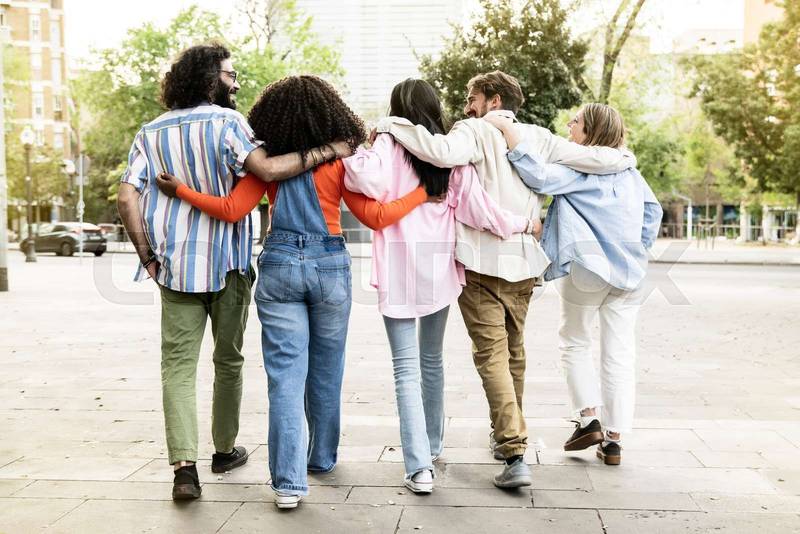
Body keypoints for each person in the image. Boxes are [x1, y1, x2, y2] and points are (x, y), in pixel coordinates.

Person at [156, 75, 437, 509]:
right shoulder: (341, 160)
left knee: (285, 378)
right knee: (327, 371)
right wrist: (422, 193)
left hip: (281, 262)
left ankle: (287, 484)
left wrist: (181, 192)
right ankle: (321, 458)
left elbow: (233, 210)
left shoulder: (267, 160)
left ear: (273, 114)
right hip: (329, 265)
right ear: (330, 112)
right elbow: (376, 216)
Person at [374, 70, 637, 488]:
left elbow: (439, 152)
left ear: (493, 100)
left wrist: (392, 123)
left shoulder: (473, 130)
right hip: (526, 265)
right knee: (513, 353)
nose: (466, 104)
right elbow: (596, 158)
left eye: (472, 96)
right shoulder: (540, 136)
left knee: (492, 357)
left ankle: (514, 452)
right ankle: (504, 438)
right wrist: (626, 159)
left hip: (481, 264)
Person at [116, 43, 352, 501]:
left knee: (178, 369)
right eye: (231, 73)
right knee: (229, 361)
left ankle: (185, 468)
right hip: (230, 265)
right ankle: (225, 450)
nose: (237, 81)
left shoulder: (149, 132)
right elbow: (265, 169)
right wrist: (329, 148)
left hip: (173, 267)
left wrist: (147, 255)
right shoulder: (228, 123)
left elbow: (127, 197)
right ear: (210, 79)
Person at [342, 78, 539, 494]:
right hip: (439, 275)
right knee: (431, 362)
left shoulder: (386, 146)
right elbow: (483, 212)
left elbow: (360, 178)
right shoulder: (449, 155)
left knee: (405, 370)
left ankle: (419, 469)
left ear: (397, 111)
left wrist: (376, 134)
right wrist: (524, 224)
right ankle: (432, 446)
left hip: (398, 272)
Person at [485, 103, 663, 466]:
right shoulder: (632, 173)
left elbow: (538, 177)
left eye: (577, 121)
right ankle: (613, 440)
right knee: (619, 352)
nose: (569, 125)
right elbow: (653, 213)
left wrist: (510, 135)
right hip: (629, 273)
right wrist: (639, 249)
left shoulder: (581, 170)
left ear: (593, 130)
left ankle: (588, 418)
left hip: (589, 268)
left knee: (575, 341)